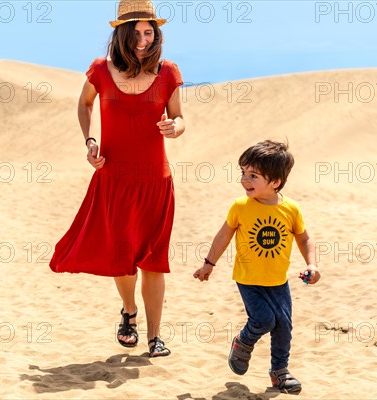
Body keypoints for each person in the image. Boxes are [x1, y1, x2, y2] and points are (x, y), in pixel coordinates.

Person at [49, 0, 184, 358]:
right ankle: (129, 313)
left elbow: (180, 118)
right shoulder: (100, 70)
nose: (144, 39)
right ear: (122, 34)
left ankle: (155, 338)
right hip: (113, 181)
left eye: (149, 31)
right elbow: (84, 105)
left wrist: (175, 127)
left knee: (154, 261)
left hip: (156, 182)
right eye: (137, 32)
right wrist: (89, 140)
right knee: (122, 258)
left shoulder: (168, 72)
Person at [193, 140, 320, 393]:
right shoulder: (241, 207)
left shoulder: (290, 209)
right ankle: (242, 343)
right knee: (263, 320)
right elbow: (223, 236)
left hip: (278, 281)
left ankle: (279, 372)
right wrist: (209, 263)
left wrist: (312, 265)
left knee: (283, 326)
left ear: (275, 182)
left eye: (253, 175)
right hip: (248, 279)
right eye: (243, 173)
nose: (244, 180)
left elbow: (304, 238)